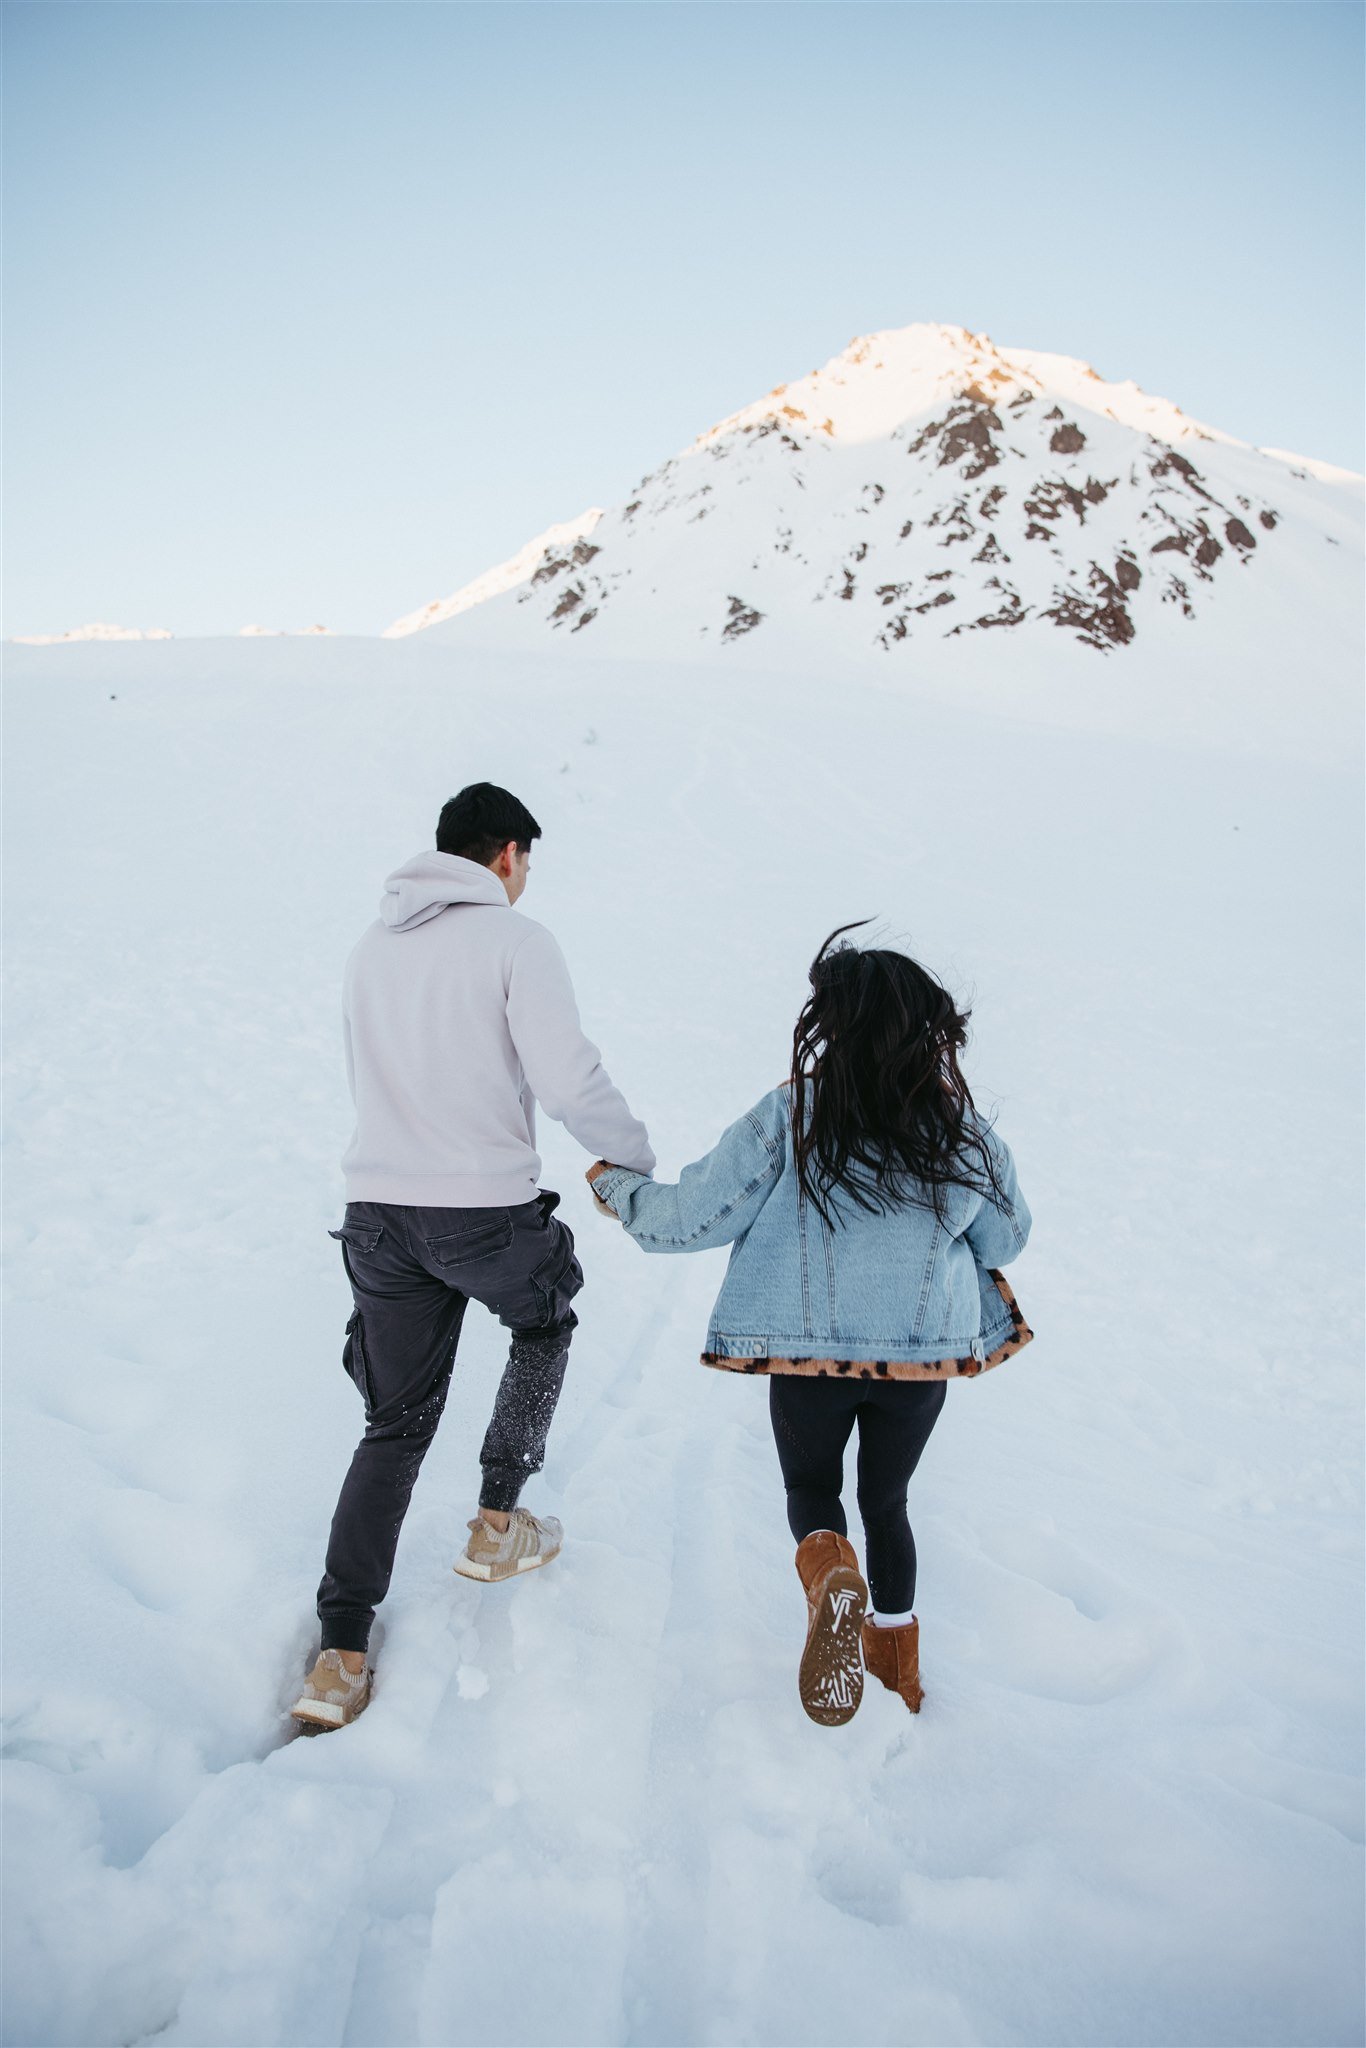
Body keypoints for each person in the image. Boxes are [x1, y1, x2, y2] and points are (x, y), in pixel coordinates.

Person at [587, 923, 1031, 1728]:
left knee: (811, 1487)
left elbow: (694, 1218)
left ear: (834, 1025)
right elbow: (1007, 1238)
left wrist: (620, 1190)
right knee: (888, 1500)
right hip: (919, 1362)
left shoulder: (792, 1114)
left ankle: (829, 1571)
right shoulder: (962, 1132)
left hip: (805, 1358)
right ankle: (897, 1671)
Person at [292, 783, 653, 1731]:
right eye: (527, 860)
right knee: (546, 1314)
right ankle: (499, 1522)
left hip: (377, 1212)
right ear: (505, 855)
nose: (526, 878)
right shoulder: (516, 942)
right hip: (479, 1214)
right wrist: (635, 1158)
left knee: (394, 1425)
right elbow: (566, 1072)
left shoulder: (371, 949)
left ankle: (338, 1655)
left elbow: (366, 1074)